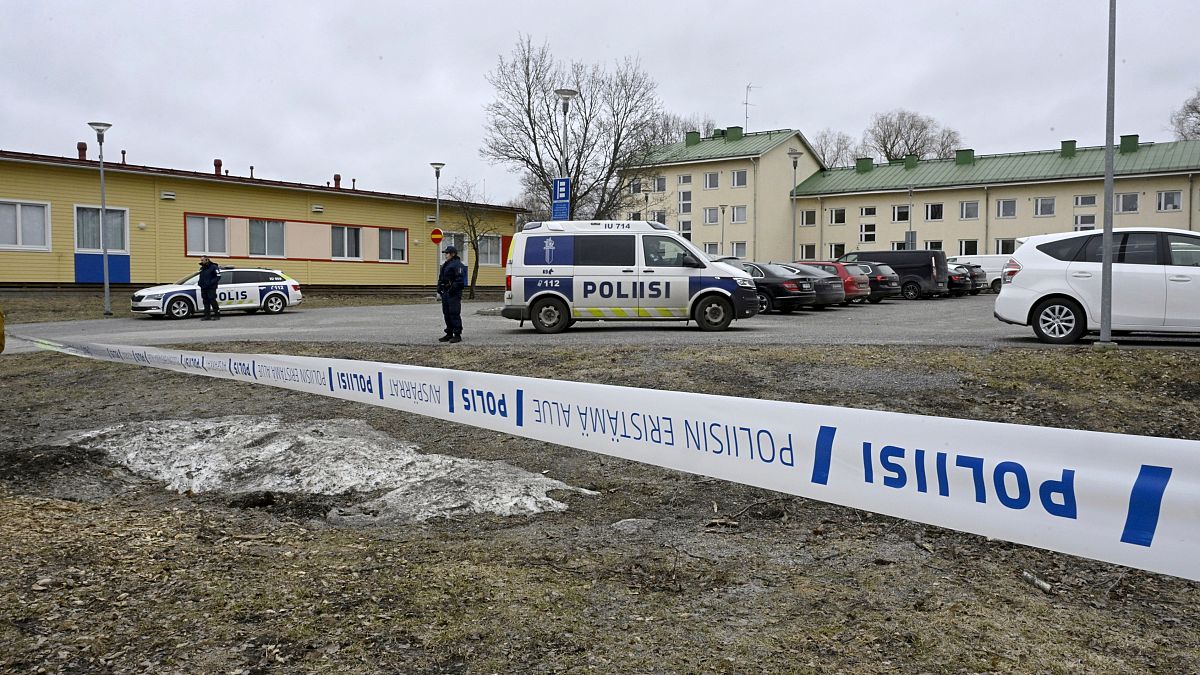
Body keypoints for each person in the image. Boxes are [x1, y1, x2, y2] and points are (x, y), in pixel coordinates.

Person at [437, 245, 467, 343]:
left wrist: (451, 289)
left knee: (454, 312)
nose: (445, 255)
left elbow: (459, 281)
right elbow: (441, 277)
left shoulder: (458, 265)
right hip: (446, 292)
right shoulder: (446, 264)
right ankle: (449, 333)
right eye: (445, 253)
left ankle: (457, 334)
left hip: (453, 293)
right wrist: (439, 287)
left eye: (447, 253)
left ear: (452, 254)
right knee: (446, 313)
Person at [197, 256, 221, 321]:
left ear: (207, 260)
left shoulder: (214, 267)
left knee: (212, 300)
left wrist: (210, 283)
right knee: (205, 301)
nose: (201, 261)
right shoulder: (202, 268)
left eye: (202, 260)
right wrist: (200, 283)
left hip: (211, 288)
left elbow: (218, 277)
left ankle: (217, 315)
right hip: (204, 287)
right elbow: (201, 277)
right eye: (201, 260)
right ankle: (207, 316)